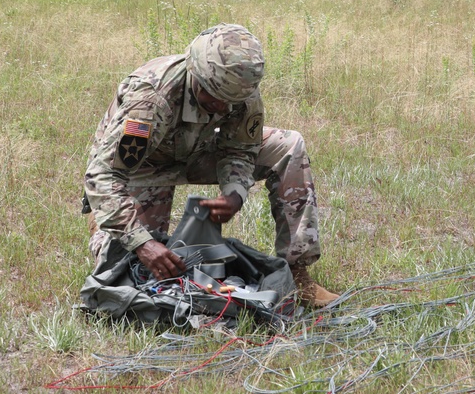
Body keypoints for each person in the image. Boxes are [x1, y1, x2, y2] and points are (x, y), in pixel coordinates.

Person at [83, 23, 338, 307]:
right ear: (196, 75)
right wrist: (141, 242)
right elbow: (103, 174)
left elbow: (240, 149)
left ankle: (297, 273)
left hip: (199, 150)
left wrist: (235, 193)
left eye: (232, 101)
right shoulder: (150, 100)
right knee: (131, 270)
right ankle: (103, 227)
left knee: (288, 145)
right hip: (144, 166)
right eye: (214, 99)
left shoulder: (238, 92)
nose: (225, 108)